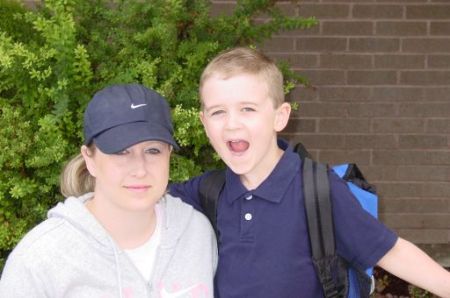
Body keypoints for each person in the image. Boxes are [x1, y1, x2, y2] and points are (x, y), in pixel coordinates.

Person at [169, 47, 450, 298]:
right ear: (204, 123)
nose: (232, 124)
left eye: (247, 109)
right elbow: (140, 203)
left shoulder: (317, 190)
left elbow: (390, 251)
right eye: (218, 112)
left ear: (280, 116)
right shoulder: (207, 191)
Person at [0, 84, 217, 298]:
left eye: (153, 150)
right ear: (89, 159)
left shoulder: (196, 233)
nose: (140, 170)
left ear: (169, 154)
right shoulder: (40, 260)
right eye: (121, 152)